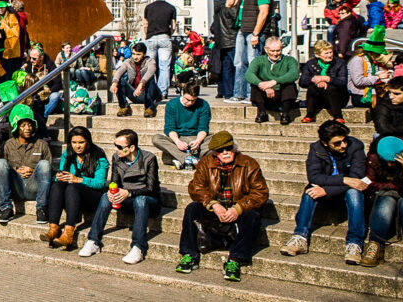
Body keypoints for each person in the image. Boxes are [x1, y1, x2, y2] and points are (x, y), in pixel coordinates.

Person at [175, 131, 268, 283]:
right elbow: (196, 188)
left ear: (234, 148)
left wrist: (237, 208)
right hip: (215, 209)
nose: (225, 153)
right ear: (214, 153)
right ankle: (190, 254)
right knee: (192, 208)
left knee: (253, 215)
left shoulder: (249, 164)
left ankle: (235, 259)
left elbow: (260, 193)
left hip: (238, 209)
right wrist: (213, 204)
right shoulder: (205, 163)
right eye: (220, 150)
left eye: (228, 148)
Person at [280, 120, 367, 264]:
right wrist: (344, 180)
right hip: (332, 189)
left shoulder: (355, 146)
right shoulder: (316, 149)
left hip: (345, 192)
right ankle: (300, 236)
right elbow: (314, 176)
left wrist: (327, 190)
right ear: (325, 143)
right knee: (310, 189)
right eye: (337, 143)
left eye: (344, 140)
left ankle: (355, 243)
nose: (343, 145)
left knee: (355, 191)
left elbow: (357, 178)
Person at [79, 128, 161, 264]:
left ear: (132, 147)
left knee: (141, 200)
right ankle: (93, 240)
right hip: (126, 199)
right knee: (106, 196)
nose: (116, 149)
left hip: (148, 200)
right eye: (115, 145)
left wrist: (129, 192)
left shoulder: (149, 158)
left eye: (119, 146)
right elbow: (115, 181)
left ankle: (138, 247)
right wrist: (113, 193)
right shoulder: (117, 158)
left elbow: (151, 188)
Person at [41, 125, 107, 249]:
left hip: (92, 196)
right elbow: (61, 172)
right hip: (70, 197)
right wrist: (59, 177)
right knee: (57, 185)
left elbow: (101, 183)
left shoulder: (98, 155)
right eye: (74, 142)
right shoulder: (68, 153)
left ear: (88, 142)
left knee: (73, 187)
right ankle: (53, 228)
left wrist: (79, 179)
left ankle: (69, 232)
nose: (77, 146)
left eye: (81, 142)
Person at [359, 135, 403, 267]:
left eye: (393, 161)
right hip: (386, 193)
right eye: (387, 161)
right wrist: (393, 186)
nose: (390, 164)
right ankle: (376, 244)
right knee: (385, 204)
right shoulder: (374, 159)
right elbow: (371, 183)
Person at [0, 104, 52, 225]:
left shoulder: (42, 144)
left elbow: (51, 171)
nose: (27, 128)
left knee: (45, 164)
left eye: (30, 124)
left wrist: (33, 171)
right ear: (17, 127)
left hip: (34, 186)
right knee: (0, 163)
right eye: (23, 125)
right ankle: (6, 208)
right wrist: (16, 170)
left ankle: (42, 208)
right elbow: (1, 171)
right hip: (16, 186)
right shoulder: (7, 145)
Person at [226, 0, 273, 103]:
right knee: (239, 62)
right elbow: (229, 4)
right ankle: (238, 93)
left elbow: (264, 12)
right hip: (242, 29)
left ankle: (252, 94)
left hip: (253, 30)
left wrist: (256, 33)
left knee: (253, 62)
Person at [153, 81, 211, 170]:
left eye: (193, 100)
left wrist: (198, 141)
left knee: (218, 139)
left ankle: (182, 159)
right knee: (156, 139)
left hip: (196, 137)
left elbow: (203, 128)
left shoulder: (203, 105)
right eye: (188, 100)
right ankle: (191, 159)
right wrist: (178, 142)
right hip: (178, 138)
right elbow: (170, 128)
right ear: (182, 93)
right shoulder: (172, 104)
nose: (190, 103)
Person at [245, 36, 300, 125]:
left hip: (282, 94)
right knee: (255, 84)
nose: (275, 54)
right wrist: (263, 85)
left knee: (289, 85)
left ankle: (285, 114)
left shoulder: (289, 60)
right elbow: (249, 74)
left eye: (278, 50)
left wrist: (274, 82)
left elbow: (294, 74)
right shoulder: (258, 60)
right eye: (272, 51)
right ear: (266, 50)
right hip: (265, 94)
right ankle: (262, 112)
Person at [299, 40, 349, 123]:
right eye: (326, 53)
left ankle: (338, 116)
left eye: (330, 52)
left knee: (330, 88)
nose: (330, 55)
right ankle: (310, 115)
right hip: (319, 97)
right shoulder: (310, 64)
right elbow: (302, 82)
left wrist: (327, 79)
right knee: (312, 88)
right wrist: (315, 80)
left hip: (338, 97)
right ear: (317, 54)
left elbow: (342, 82)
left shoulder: (340, 63)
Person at [143, 0, 177, 98]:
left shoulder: (148, 8)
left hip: (151, 37)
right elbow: (173, 26)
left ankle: (151, 90)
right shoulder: (171, 8)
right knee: (164, 66)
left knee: (150, 65)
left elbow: (145, 24)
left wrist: (146, 36)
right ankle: (163, 92)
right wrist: (169, 33)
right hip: (164, 37)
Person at [110, 42, 160, 118]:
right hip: (134, 93)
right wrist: (114, 83)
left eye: (138, 54)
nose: (135, 57)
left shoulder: (150, 61)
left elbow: (151, 71)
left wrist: (141, 83)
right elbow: (119, 72)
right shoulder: (128, 62)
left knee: (150, 79)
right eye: (133, 54)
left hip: (147, 93)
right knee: (120, 80)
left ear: (144, 54)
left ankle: (149, 108)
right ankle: (124, 107)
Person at [347, 27, 392, 109]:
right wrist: (378, 77)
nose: (379, 56)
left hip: (373, 92)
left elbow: (372, 74)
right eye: (377, 54)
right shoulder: (357, 60)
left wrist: (382, 75)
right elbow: (358, 81)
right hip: (361, 96)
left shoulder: (370, 60)